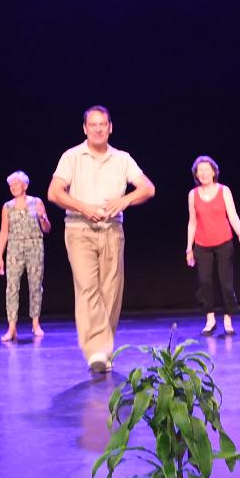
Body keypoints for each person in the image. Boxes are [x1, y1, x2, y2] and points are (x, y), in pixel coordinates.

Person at [48, 105, 155, 373]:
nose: (98, 129)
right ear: (85, 128)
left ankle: (104, 350)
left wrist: (125, 200)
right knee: (87, 287)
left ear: (110, 127)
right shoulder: (72, 156)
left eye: (102, 124)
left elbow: (147, 188)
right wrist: (83, 207)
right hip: (79, 228)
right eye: (93, 124)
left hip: (112, 230)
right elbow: (54, 192)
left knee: (111, 291)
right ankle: (96, 350)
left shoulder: (122, 158)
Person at [185, 156, 240, 336]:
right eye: (200, 170)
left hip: (224, 242)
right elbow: (192, 222)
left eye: (207, 169)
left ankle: (228, 319)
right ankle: (210, 320)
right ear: (196, 174)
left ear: (214, 172)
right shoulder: (193, 195)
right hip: (202, 244)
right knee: (205, 282)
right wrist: (189, 248)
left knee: (226, 283)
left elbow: (233, 215)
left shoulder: (224, 191)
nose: (204, 173)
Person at [0, 170, 51, 342]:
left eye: (16, 184)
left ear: (25, 185)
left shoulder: (36, 202)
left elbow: (47, 229)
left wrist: (43, 218)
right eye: (11, 185)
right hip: (14, 247)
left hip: (34, 246)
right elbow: (4, 232)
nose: (13, 187)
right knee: (12, 287)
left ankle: (35, 323)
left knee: (35, 286)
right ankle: (12, 327)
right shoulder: (7, 207)